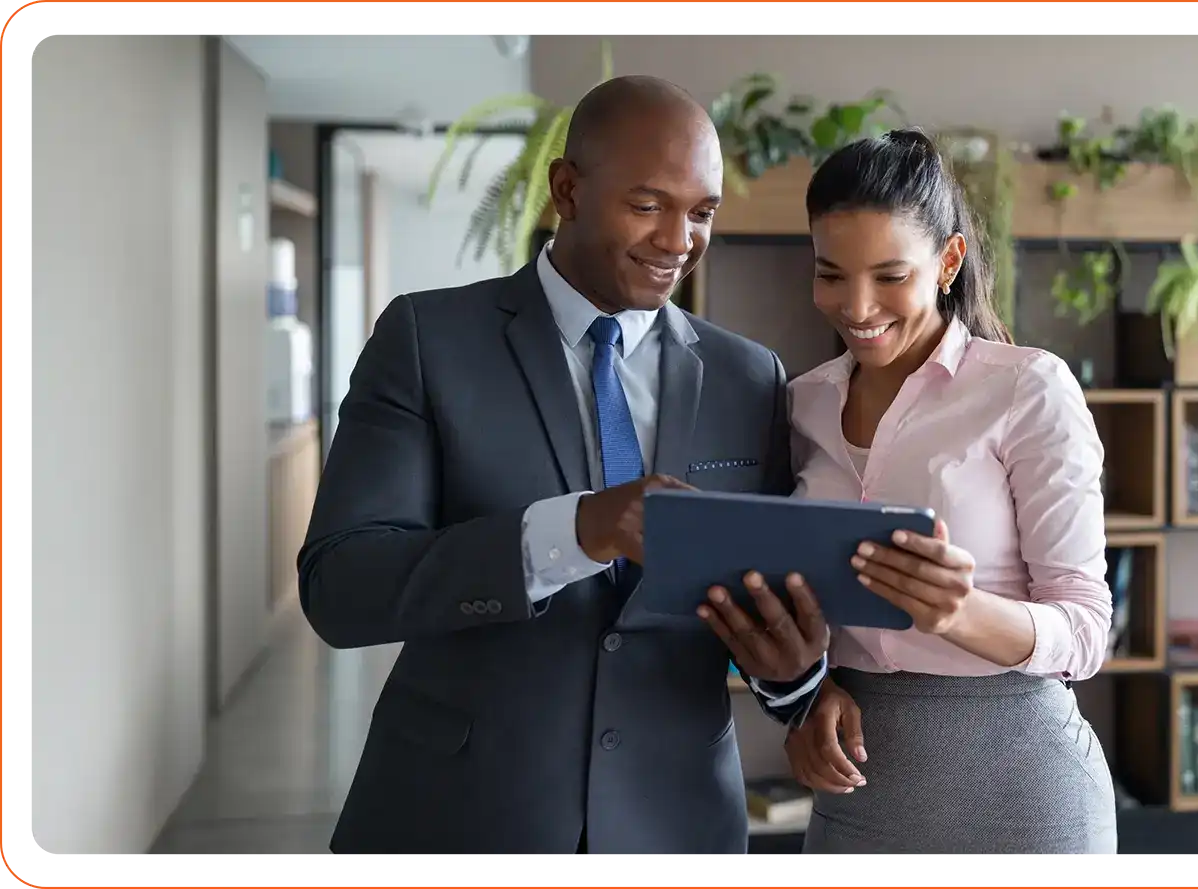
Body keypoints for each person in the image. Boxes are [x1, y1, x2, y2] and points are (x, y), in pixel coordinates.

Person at [297, 75, 831, 857]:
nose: (679, 239)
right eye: (648, 205)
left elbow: (768, 599)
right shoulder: (428, 340)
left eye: (702, 212)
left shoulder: (752, 377)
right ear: (567, 189)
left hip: (677, 826)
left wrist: (794, 682)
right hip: (458, 820)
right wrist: (575, 530)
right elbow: (341, 587)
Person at [770, 129, 1119, 855]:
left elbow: (1087, 629)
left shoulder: (1028, 388)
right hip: (861, 789)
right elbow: (777, 597)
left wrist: (963, 612)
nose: (857, 307)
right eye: (831, 274)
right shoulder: (797, 405)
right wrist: (803, 699)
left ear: (948, 260)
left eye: (890, 275)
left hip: (1024, 793)